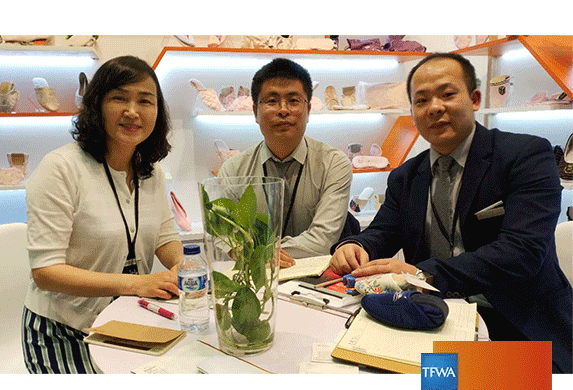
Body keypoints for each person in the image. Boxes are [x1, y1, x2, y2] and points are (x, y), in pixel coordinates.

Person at [330, 52, 572, 373]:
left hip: (517, 326)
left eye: (447, 94)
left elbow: (522, 252)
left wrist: (422, 274)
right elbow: (383, 232)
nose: (434, 107)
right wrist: (356, 246)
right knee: (348, 364)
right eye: (421, 100)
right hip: (433, 317)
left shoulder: (525, 156)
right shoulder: (406, 176)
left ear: (475, 99)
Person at [22, 55, 183, 373]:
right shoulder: (61, 168)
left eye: (145, 101)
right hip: (63, 331)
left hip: (129, 323)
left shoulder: (150, 172)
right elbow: (46, 272)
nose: (132, 111)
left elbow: (165, 238)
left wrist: (182, 266)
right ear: (97, 106)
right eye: (119, 98)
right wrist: (136, 284)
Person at [218, 58, 353, 266]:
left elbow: (323, 239)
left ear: (308, 110)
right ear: (255, 112)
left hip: (315, 277)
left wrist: (262, 252)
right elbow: (222, 235)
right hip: (254, 275)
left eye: (293, 101)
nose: (283, 110)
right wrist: (248, 253)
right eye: (272, 101)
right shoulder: (234, 170)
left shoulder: (334, 164)